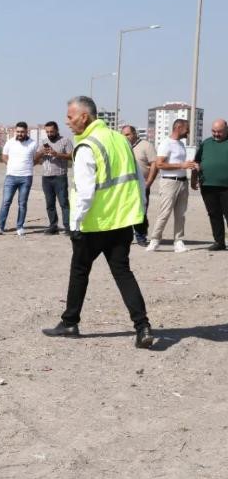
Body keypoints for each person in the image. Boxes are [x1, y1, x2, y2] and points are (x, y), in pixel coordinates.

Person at [43, 95, 154, 349]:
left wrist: (75, 224)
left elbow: (84, 191)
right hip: (122, 222)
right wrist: (141, 214)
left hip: (94, 224)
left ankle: (70, 322)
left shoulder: (86, 147)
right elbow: (137, 178)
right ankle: (142, 326)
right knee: (123, 273)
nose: (67, 121)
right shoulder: (120, 140)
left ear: (85, 116)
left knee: (80, 271)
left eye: (70, 116)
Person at [147, 119, 197, 253]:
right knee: (165, 212)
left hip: (182, 182)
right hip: (169, 182)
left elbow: (179, 162)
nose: (188, 133)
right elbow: (159, 164)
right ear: (179, 127)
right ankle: (155, 240)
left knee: (181, 214)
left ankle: (178, 241)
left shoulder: (181, 144)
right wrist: (182, 165)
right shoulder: (166, 143)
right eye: (187, 129)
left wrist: (189, 165)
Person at [0, 121, 37, 236]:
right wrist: (10, 165)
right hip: (10, 177)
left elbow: (35, 159)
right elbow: (4, 156)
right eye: (18, 131)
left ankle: (20, 227)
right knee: (6, 202)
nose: (20, 134)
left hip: (26, 177)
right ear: (15, 131)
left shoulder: (33, 144)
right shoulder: (10, 142)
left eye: (22, 132)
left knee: (22, 203)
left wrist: (27, 166)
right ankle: (0, 227)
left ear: (26, 131)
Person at [191, 118, 228, 251]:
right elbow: (196, 162)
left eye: (219, 132)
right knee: (214, 214)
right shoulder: (206, 143)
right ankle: (219, 242)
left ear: (226, 129)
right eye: (213, 131)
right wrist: (193, 180)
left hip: (226, 187)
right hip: (208, 186)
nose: (216, 134)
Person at [122, 125, 159, 246]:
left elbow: (154, 164)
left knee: (141, 212)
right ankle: (125, 237)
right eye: (123, 134)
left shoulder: (146, 146)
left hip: (141, 186)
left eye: (127, 134)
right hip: (125, 186)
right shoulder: (121, 146)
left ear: (135, 134)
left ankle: (141, 237)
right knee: (125, 211)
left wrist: (149, 182)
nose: (125, 137)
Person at [37, 120, 73, 234]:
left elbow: (71, 156)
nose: (49, 134)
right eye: (47, 131)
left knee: (64, 203)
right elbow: (35, 159)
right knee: (50, 203)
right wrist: (41, 152)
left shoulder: (65, 141)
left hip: (60, 176)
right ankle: (53, 226)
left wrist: (56, 154)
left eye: (51, 131)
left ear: (57, 130)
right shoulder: (43, 142)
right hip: (46, 177)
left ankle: (68, 227)